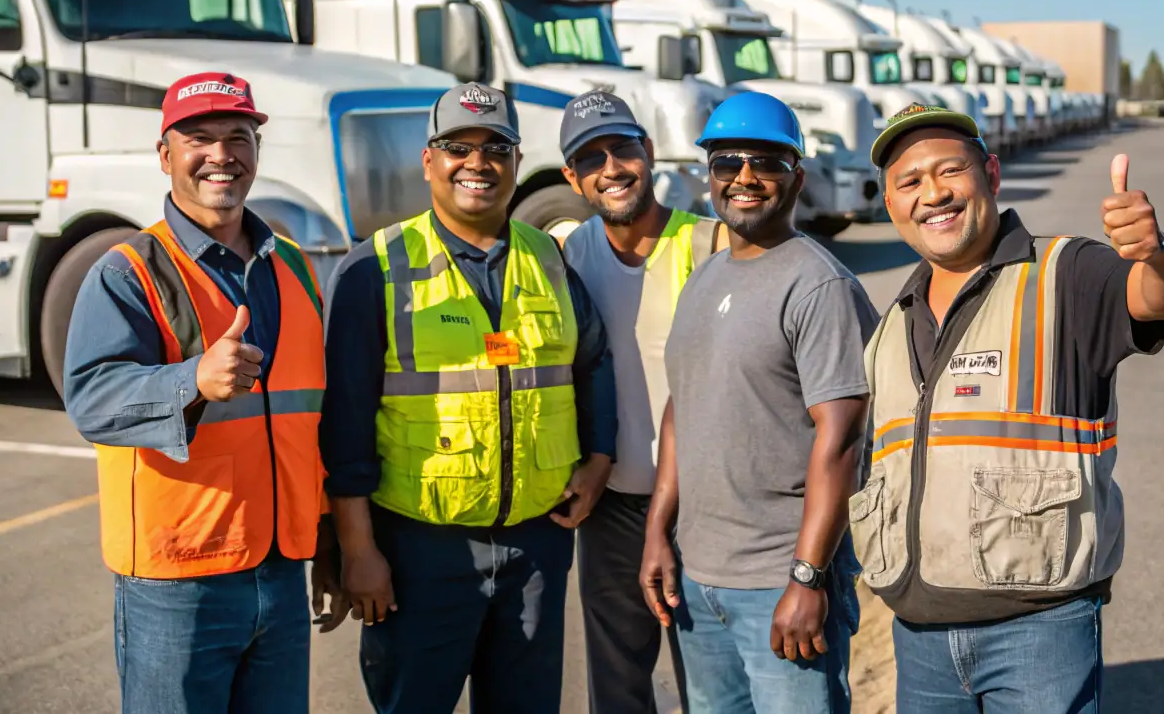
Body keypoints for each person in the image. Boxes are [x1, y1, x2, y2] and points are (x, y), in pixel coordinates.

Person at [853, 103, 1164, 713]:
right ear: (890, 204)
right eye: (909, 182)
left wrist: (1156, 252)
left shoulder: (1066, 273)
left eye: (949, 171)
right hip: (919, 637)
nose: (933, 193)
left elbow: (1160, 298)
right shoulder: (891, 327)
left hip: (1038, 634)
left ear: (990, 174)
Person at [319, 82, 619, 714]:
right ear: (429, 161)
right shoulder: (373, 269)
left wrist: (598, 461)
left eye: (496, 147)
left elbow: (591, 364)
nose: (477, 163)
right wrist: (357, 548)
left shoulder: (551, 259)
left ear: (515, 162)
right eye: (458, 146)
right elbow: (343, 425)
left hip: (535, 544)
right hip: (420, 549)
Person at [63, 71, 340, 714]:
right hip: (177, 580)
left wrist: (327, 537)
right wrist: (194, 381)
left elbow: (308, 419)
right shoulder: (127, 271)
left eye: (238, 137)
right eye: (200, 138)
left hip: (280, 565)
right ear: (167, 156)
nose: (222, 155)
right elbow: (91, 399)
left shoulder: (294, 267)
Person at [640, 92, 879, 714]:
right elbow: (680, 410)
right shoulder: (705, 276)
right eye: (727, 162)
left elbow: (844, 441)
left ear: (797, 177)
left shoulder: (820, 286)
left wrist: (807, 577)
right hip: (697, 579)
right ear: (709, 175)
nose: (744, 178)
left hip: (779, 582)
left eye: (766, 163)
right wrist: (659, 530)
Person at [557, 89, 726, 714]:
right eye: (591, 158)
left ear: (649, 153)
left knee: (710, 685)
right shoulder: (571, 257)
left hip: (706, 509)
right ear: (573, 178)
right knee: (619, 685)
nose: (612, 168)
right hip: (612, 508)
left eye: (622, 149)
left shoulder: (711, 245)